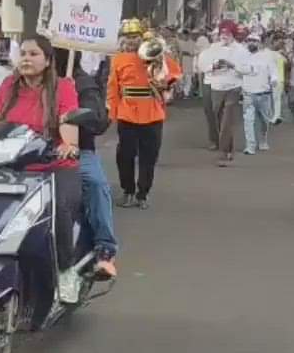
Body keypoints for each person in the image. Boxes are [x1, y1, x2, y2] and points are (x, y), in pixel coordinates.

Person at [0, 36, 83, 300]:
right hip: (11, 164)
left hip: (52, 164)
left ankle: (66, 272)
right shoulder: (10, 84)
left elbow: (68, 121)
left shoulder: (63, 86)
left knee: (59, 210)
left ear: (47, 61)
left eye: (33, 54)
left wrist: (68, 144)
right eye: (22, 53)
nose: (26, 59)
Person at [56, 47, 119, 278]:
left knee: (95, 184)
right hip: (32, 153)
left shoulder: (81, 84)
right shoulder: (24, 85)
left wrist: (78, 109)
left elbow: (99, 122)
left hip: (78, 152)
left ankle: (105, 250)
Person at [107, 19, 178, 210]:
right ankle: (127, 191)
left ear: (141, 37)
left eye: (135, 37)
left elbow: (174, 73)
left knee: (149, 156)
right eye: (128, 37)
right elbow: (113, 88)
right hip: (127, 112)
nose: (131, 41)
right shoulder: (118, 59)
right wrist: (113, 113)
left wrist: (164, 76)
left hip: (152, 112)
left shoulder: (155, 53)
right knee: (125, 155)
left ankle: (143, 193)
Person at [199, 21, 252, 167]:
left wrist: (233, 65)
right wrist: (214, 66)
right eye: (222, 33)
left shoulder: (241, 50)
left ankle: (223, 152)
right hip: (216, 87)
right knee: (218, 117)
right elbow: (203, 66)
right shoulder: (213, 49)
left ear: (233, 35)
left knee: (227, 118)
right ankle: (228, 147)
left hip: (233, 87)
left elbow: (248, 69)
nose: (224, 36)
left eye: (227, 34)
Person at [240, 33, 279, 155]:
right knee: (248, 120)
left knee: (264, 120)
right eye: (249, 40)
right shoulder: (243, 57)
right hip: (248, 94)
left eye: (255, 41)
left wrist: (273, 80)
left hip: (264, 94)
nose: (252, 43)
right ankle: (250, 146)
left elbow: (274, 72)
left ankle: (263, 140)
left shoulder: (267, 57)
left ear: (259, 43)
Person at [269, 35, 288, 124]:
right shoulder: (272, 53)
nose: (279, 44)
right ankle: (275, 116)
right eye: (277, 43)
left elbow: (285, 64)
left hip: (277, 79)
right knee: (275, 99)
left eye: (280, 43)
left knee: (276, 99)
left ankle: (276, 116)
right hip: (275, 79)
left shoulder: (278, 54)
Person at [177, 30, 198, 98]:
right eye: (183, 35)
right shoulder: (179, 42)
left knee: (188, 79)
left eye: (185, 35)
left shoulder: (193, 43)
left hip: (189, 63)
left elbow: (195, 53)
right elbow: (177, 52)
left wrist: (187, 53)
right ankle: (181, 92)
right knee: (180, 79)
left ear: (188, 35)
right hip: (180, 63)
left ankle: (186, 93)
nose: (184, 36)